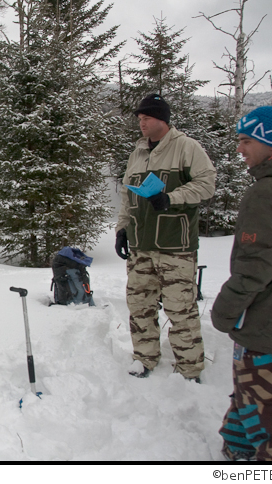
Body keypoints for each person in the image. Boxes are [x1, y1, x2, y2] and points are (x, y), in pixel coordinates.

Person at [115, 94, 216, 381]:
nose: (142, 123)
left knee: (180, 308)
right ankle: (144, 357)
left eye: (146, 118)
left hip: (175, 246)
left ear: (162, 120)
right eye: (139, 119)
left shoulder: (186, 147)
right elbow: (126, 194)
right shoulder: (138, 152)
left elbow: (207, 184)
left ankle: (190, 368)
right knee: (140, 304)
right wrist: (122, 229)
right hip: (141, 245)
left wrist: (172, 198)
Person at [211, 106, 272, 461]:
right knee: (247, 399)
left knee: (265, 417)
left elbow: (256, 265)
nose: (240, 149)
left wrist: (224, 311)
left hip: (264, 326)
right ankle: (235, 449)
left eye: (246, 140)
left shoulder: (266, 192)